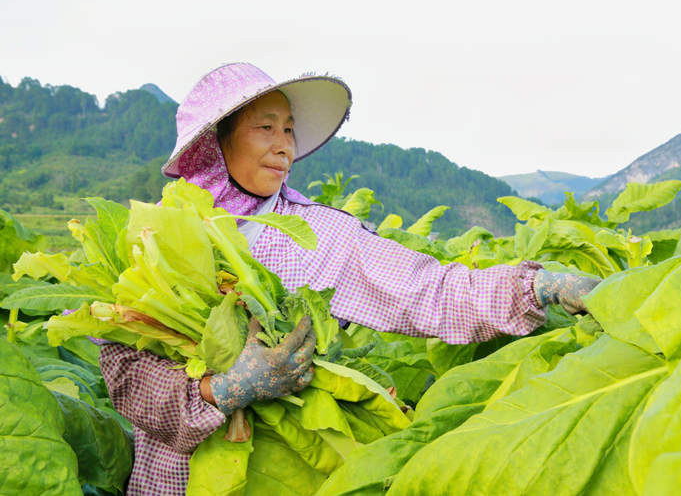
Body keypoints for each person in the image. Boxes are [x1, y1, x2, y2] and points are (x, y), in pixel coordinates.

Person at [99, 63, 601, 495]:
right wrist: (222, 391)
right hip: (172, 476)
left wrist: (535, 286)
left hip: (286, 464)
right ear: (214, 142)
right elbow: (122, 367)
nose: (284, 146)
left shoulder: (315, 234)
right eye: (265, 128)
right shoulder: (155, 240)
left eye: (290, 130)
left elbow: (427, 290)